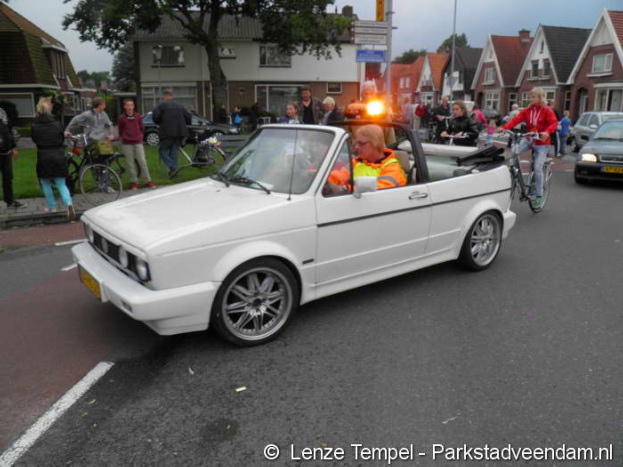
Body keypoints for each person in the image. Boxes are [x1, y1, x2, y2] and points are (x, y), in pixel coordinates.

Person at [500, 87, 558, 208]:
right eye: (530, 96)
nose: (530, 99)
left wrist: (547, 132)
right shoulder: (527, 110)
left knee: (537, 167)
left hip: (542, 143)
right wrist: (504, 128)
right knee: (514, 151)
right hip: (529, 139)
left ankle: (539, 194)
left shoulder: (547, 110)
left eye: (533, 96)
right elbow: (516, 120)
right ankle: (516, 174)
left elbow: (554, 123)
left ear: (540, 98)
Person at [325, 124, 406, 194]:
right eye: (355, 143)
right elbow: (338, 176)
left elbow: (381, 190)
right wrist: (323, 179)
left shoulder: (393, 168)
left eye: (361, 143)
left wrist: (346, 189)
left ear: (376, 143)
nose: (356, 147)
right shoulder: (357, 162)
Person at [31, 97, 75, 217]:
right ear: (49, 109)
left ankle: (52, 207)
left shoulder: (35, 125)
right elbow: (61, 137)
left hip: (43, 155)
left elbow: (35, 139)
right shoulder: (57, 123)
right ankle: (69, 203)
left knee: (45, 182)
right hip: (58, 154)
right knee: (61, 183)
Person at [152, 89, 192, 176]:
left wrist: (159, 122)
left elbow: (155, 117)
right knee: (174, 152)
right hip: (179, 132)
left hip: (166, 132)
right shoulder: (179, 105)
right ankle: (173, 172)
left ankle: (173, 167)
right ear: (172, 95)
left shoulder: (161, 104)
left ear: (164, 96)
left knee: (162, 151)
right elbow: (188, 117)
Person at [118, 99, 155, 190]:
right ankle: (135, 181)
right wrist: (124, 137)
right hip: (127, 143)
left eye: (131, 105)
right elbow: (120, 130)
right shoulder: (122, 118)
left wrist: (140, 136)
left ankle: (148, 180)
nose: (130, 107)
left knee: (142, 161)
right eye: (128, 105)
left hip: (137, 142)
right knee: (131, 164)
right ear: (125, 107)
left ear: (134, 106)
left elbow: (142, 128)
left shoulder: (138, 116)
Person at [0, 106, 24, 208]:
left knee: (8, 177)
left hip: (6, 152)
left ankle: (9, 200)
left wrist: (13, 147)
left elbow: (8, 130)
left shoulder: (2, 111)